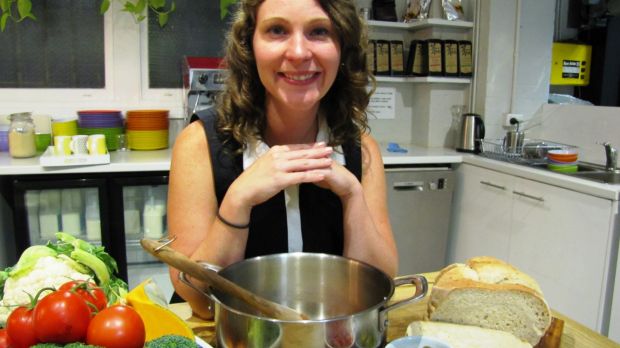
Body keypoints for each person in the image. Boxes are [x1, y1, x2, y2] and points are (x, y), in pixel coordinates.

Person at [167, 0, 398, 319]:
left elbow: (377, 292)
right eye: (277, 30)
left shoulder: (363, 150)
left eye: (319, 31)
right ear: (249, 45)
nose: (299, 53)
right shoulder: (198, 144)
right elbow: (196, 299)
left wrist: (353, 196)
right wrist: (237, 201)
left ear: (342, 47)